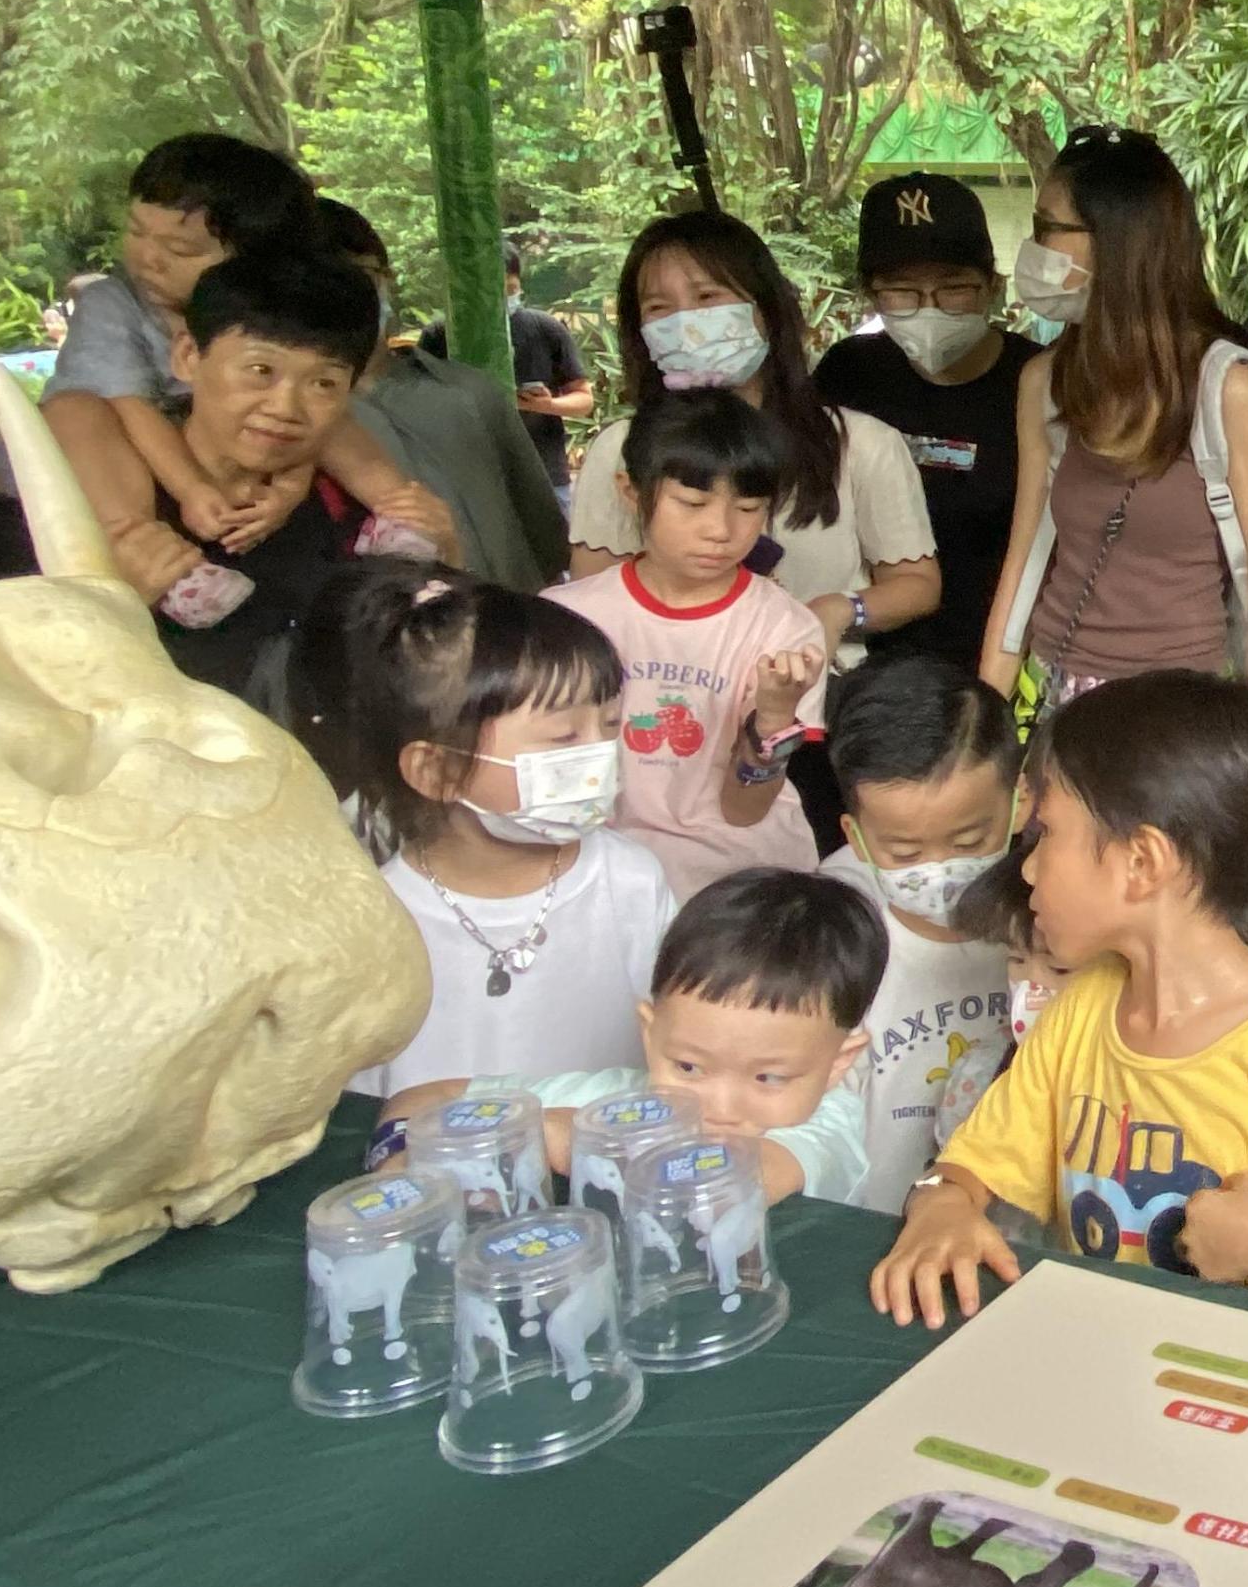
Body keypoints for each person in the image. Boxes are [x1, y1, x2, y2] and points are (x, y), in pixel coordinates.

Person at [868, 670, 1248, 1321]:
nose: (1029, 867)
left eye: (1047, 834)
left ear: (1142, 863)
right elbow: (973, 1163)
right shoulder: (1082, 1010)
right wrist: (941, 1201)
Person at [295, 561, 676, 1101]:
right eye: (563, 737)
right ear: (437, 771)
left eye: (611, 725)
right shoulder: (376, 920)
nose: (600, 755)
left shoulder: (631, 881)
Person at [45, 133, 445, 599]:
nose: (148, 259)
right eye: (136, 232)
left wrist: (289, 489)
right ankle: (143, 545)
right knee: (74, 410)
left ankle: (400, 517)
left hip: (227, 438)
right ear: (188, 353)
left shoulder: (272, 325)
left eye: (181, 250)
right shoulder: (112, 304)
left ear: (250, 263)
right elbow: (131, 407)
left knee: (316, 398)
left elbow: (295, 416)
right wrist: (193, 490)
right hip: (126, 436)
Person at [981, 127, 1248, 704]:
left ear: (1118, 242)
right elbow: (1024, 561)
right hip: (1055, 693)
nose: (1034, 245)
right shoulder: (1043, 382)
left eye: (1048, 227)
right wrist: (986, 717)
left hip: (1181, 708)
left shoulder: (1225, 385)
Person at [566, 207, 939, 670]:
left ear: (767, 309)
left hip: (820, 688)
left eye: (708, 296)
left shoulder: (864, 444)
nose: (687, 322)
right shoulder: (620, 450)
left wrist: (837, 611)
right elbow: (592, 597)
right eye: (659, 308)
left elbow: (916, 584)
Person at [381, 868, 884, 1208]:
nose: (719, 1107)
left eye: (768, 1078)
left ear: (839, 1062)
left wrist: (549, 1135)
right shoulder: (613, 1095)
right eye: (688, 1066)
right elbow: (429, 1095)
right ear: (650, 1032)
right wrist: (399, 1156)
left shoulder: (824, 1126)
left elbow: (723, 1183)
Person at [548, 392, 830, 895]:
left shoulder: (785, 629)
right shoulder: (566, 620)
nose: (720, 530)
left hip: (739, 881)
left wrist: (772, 720)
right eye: (693, 504)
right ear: (632, 491)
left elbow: (744, 812)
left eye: (749, 508)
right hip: (600, 873)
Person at [146, 244, 399, 707]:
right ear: (187, 355)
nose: (285, 407)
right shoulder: (112, 506)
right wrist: (116, 604)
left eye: (323, 383)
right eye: (260, 370)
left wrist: (446, 555)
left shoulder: (365, 515)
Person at [814, 654, 1021, 1216]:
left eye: (970, 841)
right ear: (855, 836)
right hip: (868, 1223)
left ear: (1020, 801)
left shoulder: (1051, 918)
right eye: (904, 853)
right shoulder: (834, 933)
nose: (939, 869)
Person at [813, 171, 1041, 671]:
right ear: (870, 294)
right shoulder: (848, 373)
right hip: (863, 660)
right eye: (902, 291)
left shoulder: (1036, 380)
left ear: (994, 286)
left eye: (954, 288)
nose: (929, 309)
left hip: (997, 656)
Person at [320, 200, 571, 593]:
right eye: (324, 280)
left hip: (513, 618)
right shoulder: (299, 421)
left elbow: (546, 544)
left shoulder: (472, 392)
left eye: (360, 275)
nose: (346, 294)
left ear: (387, 278)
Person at [420, 248, 591, 493]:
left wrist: (544, 405)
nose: (501, 299)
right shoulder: (439, 335)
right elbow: (420, 405)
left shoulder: (546, 328)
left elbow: (584, 400)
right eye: (491, 292)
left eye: (510, 290)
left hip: (544, 477)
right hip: (466, 479)